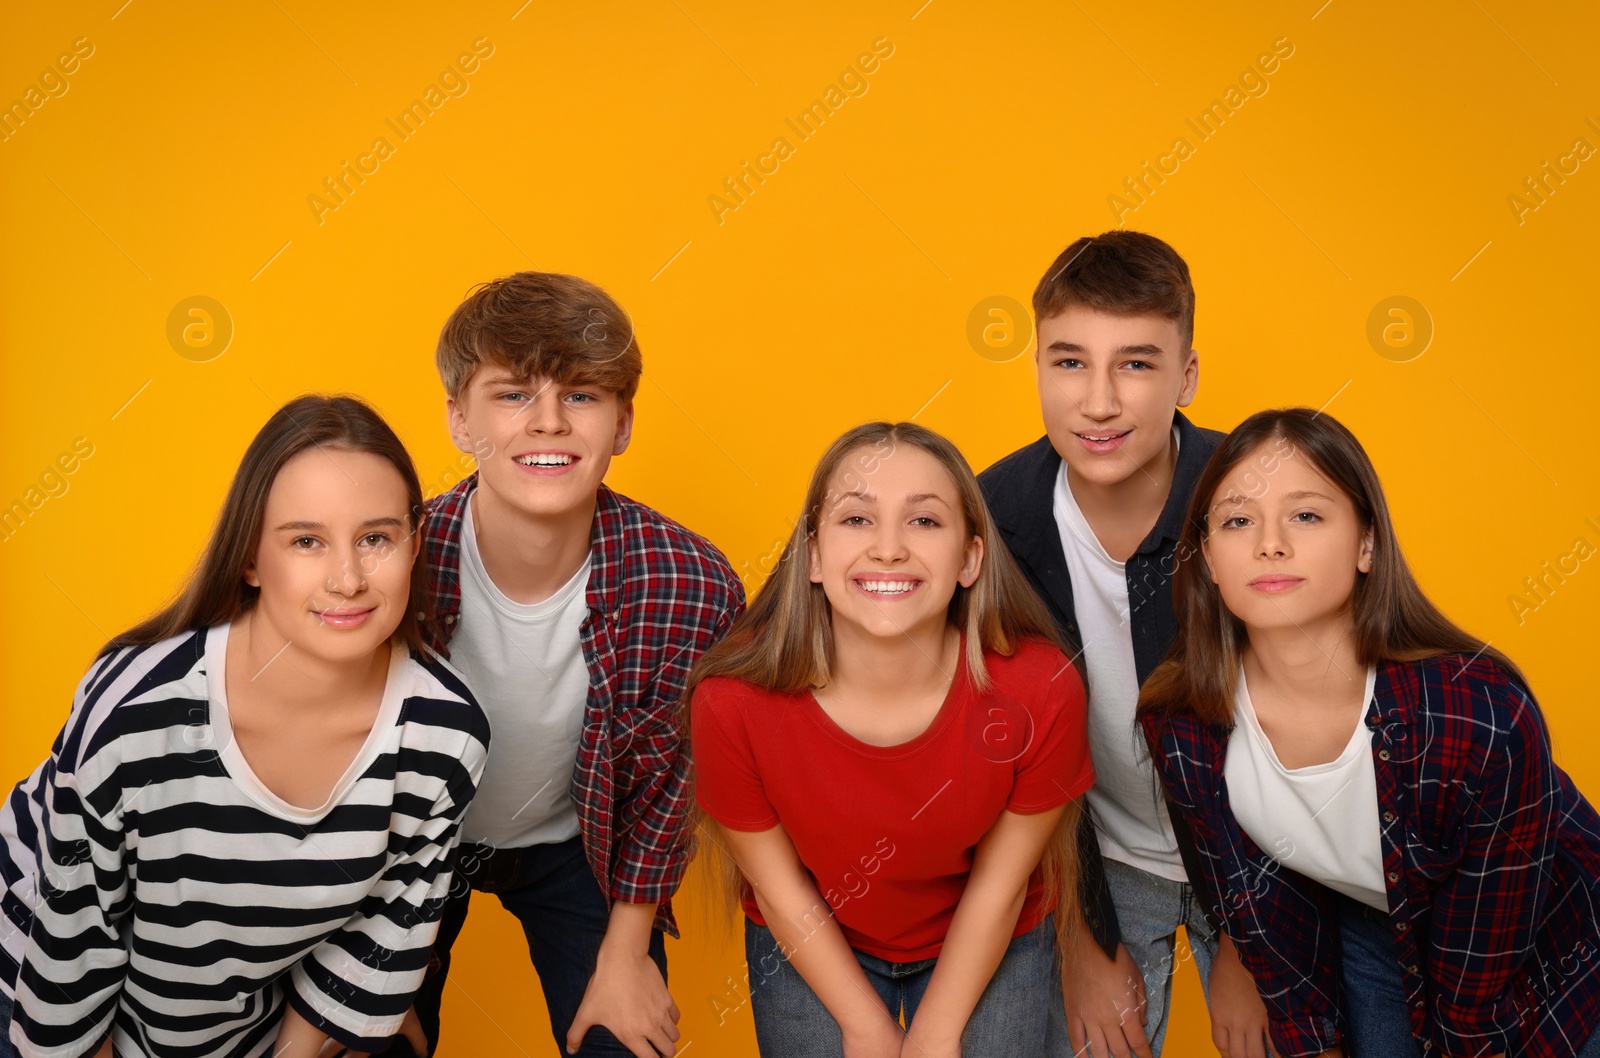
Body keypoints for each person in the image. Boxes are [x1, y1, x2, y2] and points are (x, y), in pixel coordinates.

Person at [0, 395, 490, 1058]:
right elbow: (79, 939)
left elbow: (381, 931)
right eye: (307, 541)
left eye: (375, 538)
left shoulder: (444, 735)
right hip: (38, 972)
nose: (347, 579)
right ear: (252, 559)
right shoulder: (136, 710)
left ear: (414, 546)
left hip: (237, 1001)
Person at [1138, 407, 1600, 1058]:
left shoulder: (1479, 715)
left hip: (1553, 940)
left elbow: (1478, 997)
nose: (1271, 544)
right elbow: (1265, 919)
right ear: (1208, 557)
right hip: (1377, 922)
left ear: (1366, 544)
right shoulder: (1181, 727)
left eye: (1306, 514)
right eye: (1238, 520)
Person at [402, 272, 744, 1058]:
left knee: (625, 1041)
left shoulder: (688, 584)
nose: (548, 424)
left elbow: (668, 787)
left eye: (582, 396)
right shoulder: (395, 565)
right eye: (514, 395)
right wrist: (369, 978)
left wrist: (626, 954)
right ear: (459, 419)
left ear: (623, 423)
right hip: (410, 853)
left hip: (578, 844)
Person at [687, 421, 1094, 1058]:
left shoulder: (1042, 690)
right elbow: (779, 886)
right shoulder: (730, 703)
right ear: (814, 555)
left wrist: (934, 1033)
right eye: (856, 519)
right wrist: (865, 1026)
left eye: (924, 522)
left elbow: (1000, 886)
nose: (888, 549)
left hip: (990, 927)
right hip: (814, 928)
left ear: (970, 559)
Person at [978, 230, 1242, 1057]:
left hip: (1261, 863)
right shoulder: (996, 515)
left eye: (1134, 364)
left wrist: (1248, 945)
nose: (1098, 403)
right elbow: (1010, 751)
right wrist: (1084, 941)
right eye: (1068, 363)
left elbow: (1303, 728)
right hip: (1097, 858)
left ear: (1186, 377)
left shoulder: (1248, 500)